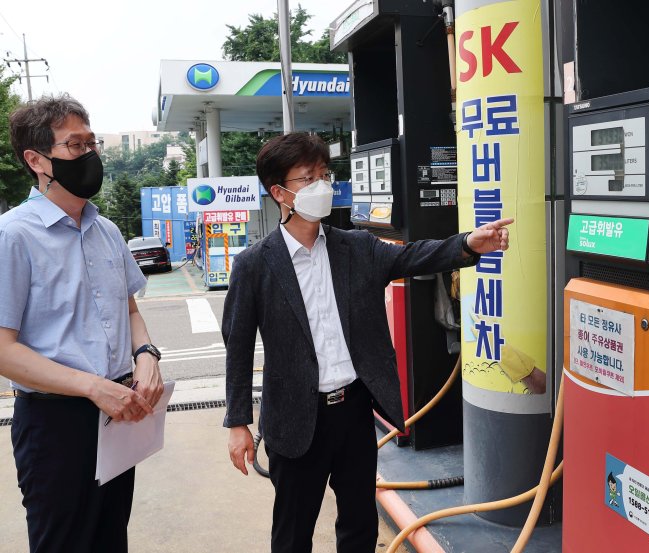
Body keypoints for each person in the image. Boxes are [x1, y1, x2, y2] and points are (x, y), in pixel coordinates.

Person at [223, 132, 512, 552]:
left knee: (360, 526)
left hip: (354, 410)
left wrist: (467, 244)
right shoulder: (254, 265)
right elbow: (238, 347)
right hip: (295, 417)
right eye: (308, 178)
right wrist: (237, 422)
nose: (322, 185)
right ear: (279, 193)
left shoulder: (356, 247)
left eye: (324, 174)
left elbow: (413, 255)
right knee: (292, 534)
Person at [0, 94, 164, 553]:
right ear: (37, 160)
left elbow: (130, 310)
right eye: (75, 145)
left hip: (118, 414)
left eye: (92, 143)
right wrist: (92, 387)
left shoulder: (105, 230)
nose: (90, 154)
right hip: (55, 424)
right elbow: (3, 349)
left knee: (111, 537)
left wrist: (146, 355)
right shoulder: (13, 236)